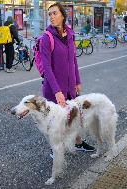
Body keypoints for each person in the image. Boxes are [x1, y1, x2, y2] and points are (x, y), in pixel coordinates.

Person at [40, 2, 95, 152]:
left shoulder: (70, 34)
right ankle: (55, 149)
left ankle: (77, 142)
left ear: (63, 15)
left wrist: (77, 81)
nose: (51, 16)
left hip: (70, 87)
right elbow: (47, 68)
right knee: (56, 122)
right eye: (49, 14)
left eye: (54, 13)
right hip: (54, 89)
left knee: (73, 118)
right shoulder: (47, 38)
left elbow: (74, 60)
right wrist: (57, 91)